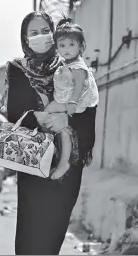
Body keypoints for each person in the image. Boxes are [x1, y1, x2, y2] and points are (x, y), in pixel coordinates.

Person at [4, 11, 96, 255]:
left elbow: (89, 107)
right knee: (31, 229)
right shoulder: (18, 69)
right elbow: (15, 113)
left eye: (46, 31)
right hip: (34, 159)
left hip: (68, 164)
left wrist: (67, 118)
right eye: (33, 33)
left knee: (55, 226)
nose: (41, 37)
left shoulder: (72, 65)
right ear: (25, 38)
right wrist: (44, 118)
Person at [42, 18, 99, 179]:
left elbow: (79, 87)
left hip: (77, 103)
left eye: (71, 45)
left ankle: (50, 143)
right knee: (62, 131)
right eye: (62, 45)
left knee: (47, 113)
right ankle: (62, 159)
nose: (66, 49)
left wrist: (72, 102)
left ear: (81, 46)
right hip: (70, 102)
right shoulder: (67, 64)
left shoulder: (78, 68)